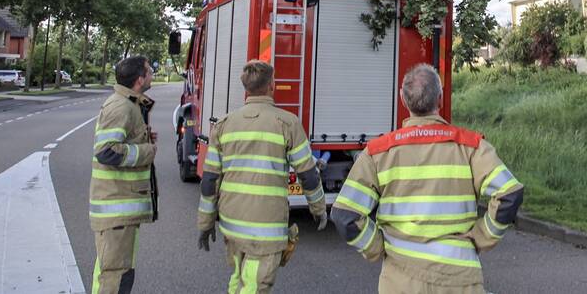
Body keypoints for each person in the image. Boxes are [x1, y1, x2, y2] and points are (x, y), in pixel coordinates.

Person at [331, 64, 524, 294]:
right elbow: (509, 193)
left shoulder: (378, 152)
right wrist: (482, 238)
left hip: (399, 281)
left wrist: (375, 248)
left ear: (403, 101)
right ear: (440, 100)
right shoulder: (471, 146)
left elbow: (345, 215)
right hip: (460, 279)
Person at [197, 60, 327, 294]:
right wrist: (318, 209)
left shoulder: (224, 125)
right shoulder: (287, 123)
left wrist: (205, 223)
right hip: (266, 228)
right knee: (256, 285)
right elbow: (307, 175)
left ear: (245, 89)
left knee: (239, 277)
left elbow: (209, 180)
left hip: (231, 223)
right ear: (272, 85)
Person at [89, 55, 158, 294]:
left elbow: (119, 142)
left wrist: (142, 139)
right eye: (149, 71)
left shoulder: (128, 104)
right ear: (140, 80)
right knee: (116, 276)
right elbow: (106, 152)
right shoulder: (121, 107)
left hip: (119, 209)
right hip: (116, 209)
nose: (152, 74)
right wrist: (146, 151)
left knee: (110, 272)